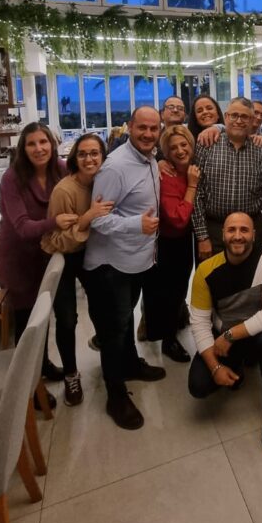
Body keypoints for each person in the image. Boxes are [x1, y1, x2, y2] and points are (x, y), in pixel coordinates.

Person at [84, 106, 166, 430]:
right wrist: (137, 225)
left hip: (136, 259)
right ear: (129, 127)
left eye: (153, 128)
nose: (147, 134)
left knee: (125, 319)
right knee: (113, 330)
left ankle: (130, 364)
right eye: (141, 128)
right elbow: (99, 218)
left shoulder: (150, 158)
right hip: (111, 264)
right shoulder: (115, 167)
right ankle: (115, 394)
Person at [188, 212, 262, 447]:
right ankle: (237, 367)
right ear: (222, 235)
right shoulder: (205, 271)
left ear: (254, 235)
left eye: (244, 230)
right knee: (199, 386)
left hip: (257, 336)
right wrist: (214, 367)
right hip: (224, 337)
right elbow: (200, 323)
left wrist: (229, 336)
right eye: (231, 230)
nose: (238, 236)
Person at [0, 123, 75, 389]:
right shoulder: (12, 178)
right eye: (31, 143)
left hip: (47, 254)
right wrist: (55, 221)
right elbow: (22, 227)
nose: (39, 148)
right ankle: (29, 390)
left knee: (46, 316)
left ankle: (43, 366)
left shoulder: (61, 169)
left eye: (44, 142)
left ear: (52, 144)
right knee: (28, 322)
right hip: (17, 257)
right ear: (23, 148)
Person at [41, 133, 114, 405]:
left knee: (102, 310)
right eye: (83, 154)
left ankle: (110, 365)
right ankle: (71, 373)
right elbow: (54, 240)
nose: (89, 159)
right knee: (68, 318)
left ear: (103, 157)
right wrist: (86, 219)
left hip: (93, 255)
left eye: (95, 153)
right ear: (74, 158)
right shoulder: (64, 190)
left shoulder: (104, 183)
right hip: (64, 257)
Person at [193, 97, 262, 260]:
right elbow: (196, 193)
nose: (239, 121)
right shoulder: (206, 144)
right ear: (226, 117)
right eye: (234, 115)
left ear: (252, 120)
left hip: (251, 228)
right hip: (214, 229)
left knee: (251, 283)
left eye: (244, 117)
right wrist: (202, 236)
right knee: (213, 282)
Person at [148, 123, 200, 362]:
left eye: (184, 144)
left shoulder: (191, 167)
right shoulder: (167, 176)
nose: (180, 150)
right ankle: (168, 341)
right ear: (165, 154)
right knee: (172, 291)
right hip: (170, 242)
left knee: (179, 289)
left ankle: (174, 326)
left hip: (188, 238)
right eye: (173, 148)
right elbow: (178, 219)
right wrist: (191, 186)